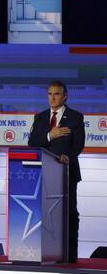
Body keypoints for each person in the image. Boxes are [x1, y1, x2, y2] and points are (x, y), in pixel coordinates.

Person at [28, 80, 86, 262]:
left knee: (69, 213)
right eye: (50, 94)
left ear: (65, 96)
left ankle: (70, 254)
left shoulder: (76, 117)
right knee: (45, 213)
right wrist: (49, 135)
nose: (52, 98)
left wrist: (68, 156)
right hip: (44, 174)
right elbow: (32, 143)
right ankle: (46, 251)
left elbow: (78, 145)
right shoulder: (40, 117)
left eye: (57, 94)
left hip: (66, 173)